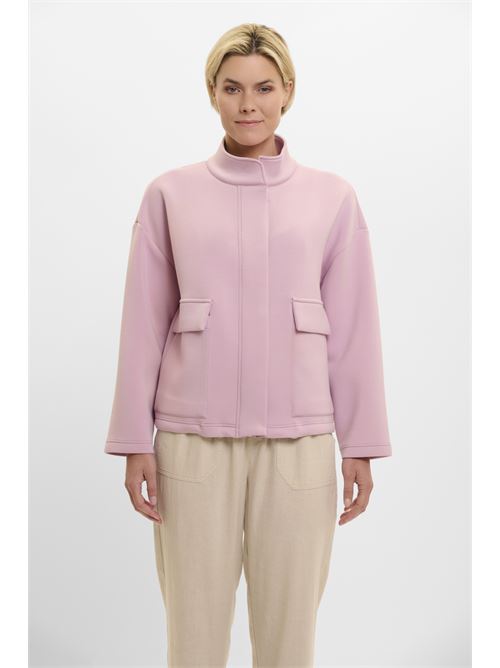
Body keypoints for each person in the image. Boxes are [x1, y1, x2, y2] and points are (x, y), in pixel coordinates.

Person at [104, 22, 392, 667]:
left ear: (287, 91)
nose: (248, 104)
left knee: (290, 642)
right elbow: (143, 321)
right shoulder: (169, 194)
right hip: (191, 443)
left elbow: (355, 329)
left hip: (299, 446)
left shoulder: (333, 198)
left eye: (263, 88)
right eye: (232, 88)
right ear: (212, 92)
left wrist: (362, 444)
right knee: (193, 639)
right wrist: (132, 440)